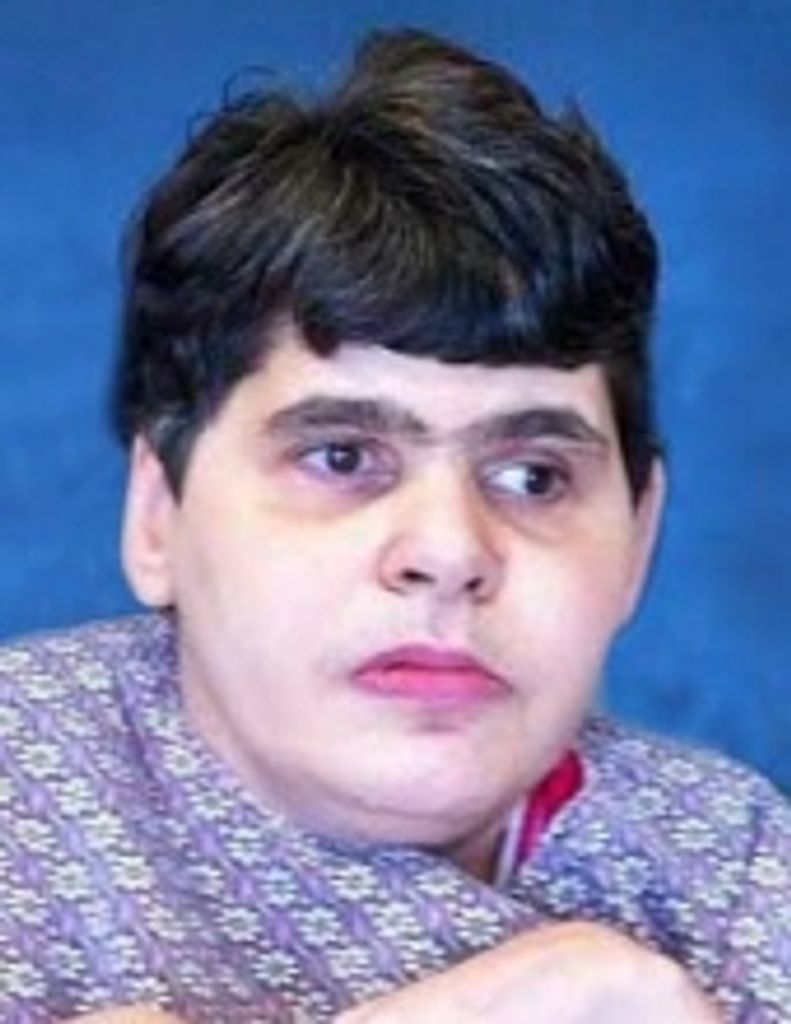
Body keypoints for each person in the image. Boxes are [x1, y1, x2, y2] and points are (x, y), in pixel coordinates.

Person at [0, 27, 787, 1024]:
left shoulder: (734, 871)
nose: (449, 551)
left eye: (533, 476)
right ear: (159, 515)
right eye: (341, 458)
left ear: (636, 538)